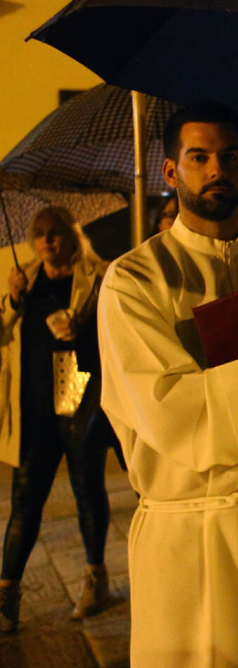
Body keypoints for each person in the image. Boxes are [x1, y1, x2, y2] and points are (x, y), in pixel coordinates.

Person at [97, 102, 238, 666]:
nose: (216, 169)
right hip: (191, 538)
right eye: (198, 157)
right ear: (172, 172)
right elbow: (167, 411)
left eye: (228, 156)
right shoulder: (133, 282)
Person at [0, 207, 113, 632]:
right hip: (32, 400)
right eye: (40, 233)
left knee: (87, 486)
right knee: (25, 496)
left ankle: (95, 578)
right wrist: (13, 299)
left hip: (78, 388)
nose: (48, 241)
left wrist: (82, 328)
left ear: (72, 235)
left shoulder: (98, 275)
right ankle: (7, 592)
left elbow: (114, 331)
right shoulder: (21, 279)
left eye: (56, 232)